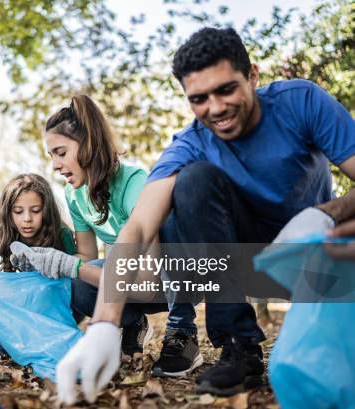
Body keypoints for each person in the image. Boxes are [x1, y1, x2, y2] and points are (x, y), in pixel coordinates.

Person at [19, 27, 355, 403]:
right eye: (199, 98)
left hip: (315, 252)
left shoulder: (301, 103)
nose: (215, 108)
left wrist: (324, 216)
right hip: (241, 258)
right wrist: (103, 324)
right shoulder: (190, 145)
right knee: (191, 182)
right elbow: (139, 227)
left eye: (226, 89)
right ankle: (238, 346)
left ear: (253, 76)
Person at [37, 94, 196, 366]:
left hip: (173, 278)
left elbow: (147, 284)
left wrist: (73, 268)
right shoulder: (74, 195)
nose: (54, 165)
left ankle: (183, 333)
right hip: (130, 278)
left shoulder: (135, 183)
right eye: (51, 156)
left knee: (83, 276)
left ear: (88, 145)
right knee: (77, 285)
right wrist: (48, 262)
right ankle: (133, 324)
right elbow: (86, 256)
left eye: (61, 153)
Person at [0, 173, 77, 356]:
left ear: (46, 210)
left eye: (36, 210)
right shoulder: (7, 234)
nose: (27, 218)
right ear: (8, 212)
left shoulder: (61, 234)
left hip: (59, 310)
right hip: (26, 311)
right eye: (18, 211)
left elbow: (76, 279)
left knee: (56, 349)